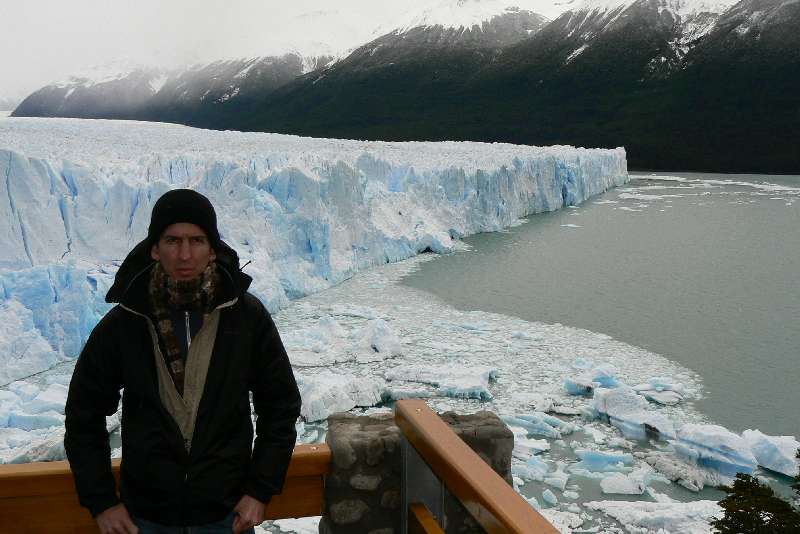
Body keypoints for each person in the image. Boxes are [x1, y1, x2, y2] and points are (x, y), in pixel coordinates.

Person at [64, 189, 301, 534]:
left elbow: (280, 405)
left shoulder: (246, 318)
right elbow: (83, 414)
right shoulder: (126, 322)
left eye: (196, 240)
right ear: (155, 249)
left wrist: (260, 490)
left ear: (212, 248)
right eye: (173, 240)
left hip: (225, 515)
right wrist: (101, 501)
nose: (185, 254)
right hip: (146, 518)